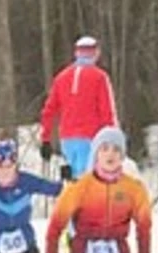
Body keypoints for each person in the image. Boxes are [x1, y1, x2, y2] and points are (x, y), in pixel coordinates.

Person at [38, 35, 118, 179]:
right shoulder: (100, 77)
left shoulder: (61, 77)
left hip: (67, 138)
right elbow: (107, 112)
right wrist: (113, 139)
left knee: (73, 180)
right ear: (96, 53)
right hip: (92, 137)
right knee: (90, 180)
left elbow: (48, 111)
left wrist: (45, 138)